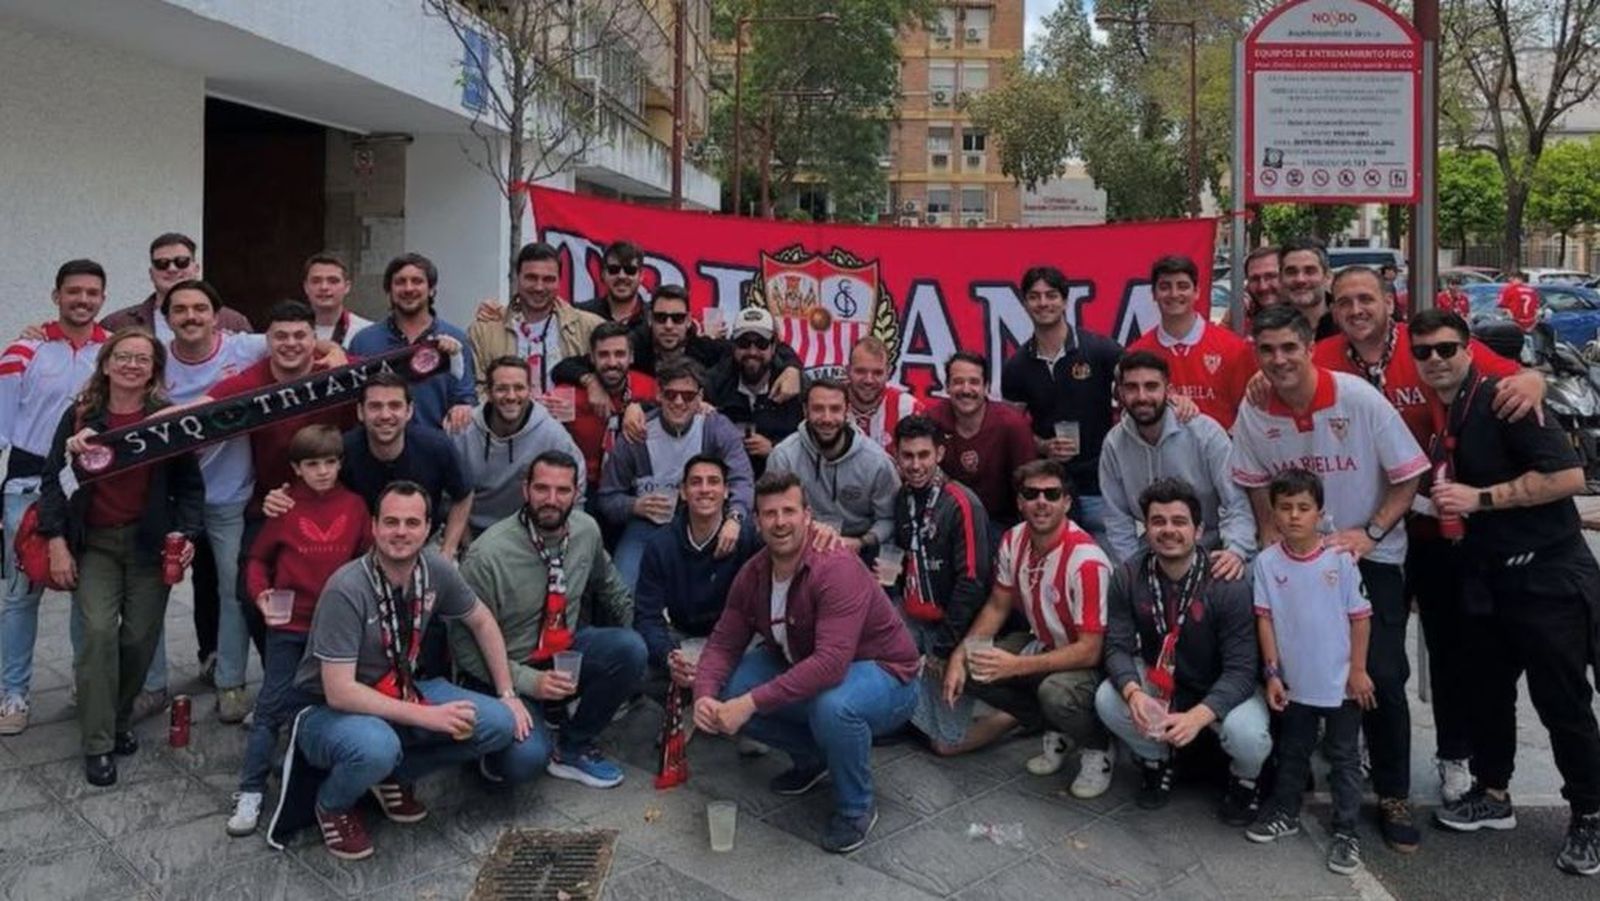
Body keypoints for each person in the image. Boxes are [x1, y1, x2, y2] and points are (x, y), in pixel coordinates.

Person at [1313, 265, 1535, 802]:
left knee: (1450, 648)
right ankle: (1373, 743)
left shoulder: (1426, 346)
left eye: (1366, 298)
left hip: (1437, 528)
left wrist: (1534, 379)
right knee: (1369, 649)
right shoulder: (1323, 358)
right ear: (1333, 310)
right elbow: (1282, 382)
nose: (1356, 310)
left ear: (1390, 302)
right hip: (1364, 535)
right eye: (1344, 303)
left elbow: (1509, 374)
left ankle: (1453, 754)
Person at [1230, 305, 1429, 853]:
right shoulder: (1254, 410)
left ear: (1309, 346)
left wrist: (1370, 531)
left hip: (1368, 557)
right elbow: (1253, 479)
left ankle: (1391, 793)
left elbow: (1409, 475)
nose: (1278, 360)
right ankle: (1289, 786)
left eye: (1289, 348)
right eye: (1266, 350)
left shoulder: (1358, 398)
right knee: (1293, 673)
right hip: (1295, 559)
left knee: (1380, 678)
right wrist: (1271, 532)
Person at [1414, 309, 1600, 877]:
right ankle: (1494, 795)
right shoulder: (1456, 405)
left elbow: (1569, 478)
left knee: (1561, 703)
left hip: (1546, 577)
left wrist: (1481, 499)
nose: (1436, 360)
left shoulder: (1506, 399)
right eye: (1423, 352)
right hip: (1490, 577)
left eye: (1446, 348)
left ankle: (1588, 817)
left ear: (1468, 348)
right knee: (1489, 693)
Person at [291, 481, 531, 861]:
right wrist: (427, 715)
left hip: (402, 688)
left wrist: (508, 692)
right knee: (376, 746)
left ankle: (390, 776)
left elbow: (481, 621)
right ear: (373, 527)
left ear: (427, 529)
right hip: (328, 709)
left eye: (411, 523)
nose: (400, 532)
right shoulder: (346, 588)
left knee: (499, 723)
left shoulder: (433, 568)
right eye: (390, 522)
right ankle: (333, 804)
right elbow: (339, 691)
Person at [693, 471, 920, 854]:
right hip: (813, 664)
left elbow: (831, 664)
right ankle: (814, 756)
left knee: (833, 706)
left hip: (888, 675)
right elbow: (722, 643)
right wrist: (703, 695)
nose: (780, 522)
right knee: (730, 682)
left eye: (789, 511)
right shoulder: (753, 572)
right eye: (769, 514)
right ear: (756, 520)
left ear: (807, 515)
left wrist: (748, 705)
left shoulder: (835, 567)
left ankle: (856, 807)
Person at [36, 328, 205, 786]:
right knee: (95, 636)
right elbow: (52, 480)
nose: (132, 365)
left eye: (142, 359)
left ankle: (118, 719)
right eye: (123, 357)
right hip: (95, 545)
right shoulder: (79, 417)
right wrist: (55, 541)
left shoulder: (166, 419)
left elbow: (190, 486)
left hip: (149, 545)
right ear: (106, 364)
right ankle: (98, 744)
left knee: (138, 640)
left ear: (153, 370)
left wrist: (187, 532)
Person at [453, 451, 644, 788]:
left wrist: (644, 644)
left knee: (630, 649)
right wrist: (527, 683)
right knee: (523, 763)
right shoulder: (488, 555)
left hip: (562, 654)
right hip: (506, 669)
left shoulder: (586, 531)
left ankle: (573, 746)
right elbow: (464, 649)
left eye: (562, 490)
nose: (551, 500)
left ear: (577, 492)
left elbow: (610, 585)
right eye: (541, 489)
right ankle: (494, 738)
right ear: (525, 490)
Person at [1094, 479, 1268, 822]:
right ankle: (1158, 759)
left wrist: (1198, 717)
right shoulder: (1128, 576)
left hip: (1222, 683)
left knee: (1248, 735)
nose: (1168, 530)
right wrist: (1133, 693)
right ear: (1146, 529)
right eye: (1158, 521)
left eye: (1179, 521)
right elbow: (1115, 646)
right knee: (1107, 698)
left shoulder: (1227, 581)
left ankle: (1245, 780)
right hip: (1166, 679)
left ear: (1199, 529)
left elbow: (1242, 670)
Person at [228, 424, 371, 837]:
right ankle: (250, 789)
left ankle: (319, 773)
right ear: (296, 468)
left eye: (330, 462)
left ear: (341, 463)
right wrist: (261, 596)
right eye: (313, 464)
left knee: (337, 702)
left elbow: (365, 560)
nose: (323, 471)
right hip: (290, 624)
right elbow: (256, 560)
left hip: (338, 629)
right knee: (270, 707)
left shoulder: (356, 506)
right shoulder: (284, 506)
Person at [944, 460, 1115, 799]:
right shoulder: (1014, 539)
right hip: (1044, 641)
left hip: (1091, 662)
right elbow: (997, 605)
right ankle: (1053, 726)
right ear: (1019, 501)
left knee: (1056, 692)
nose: (1041, 502)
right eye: (1031, 494)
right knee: (973, 667)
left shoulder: (1087, 561)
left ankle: (1099, 748)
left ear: (1067, 502)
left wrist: (1017, 666)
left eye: (1052, 494)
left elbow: (1091, 649)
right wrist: (957, 657)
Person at [156, 279, 275, 723]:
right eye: (180, 310)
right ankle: (150, 686)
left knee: (233, 590)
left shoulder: (243, 348)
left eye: (200, 308)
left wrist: (335, 353)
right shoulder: (154, 356)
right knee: (155, 592)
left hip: (229, 496)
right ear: (166, 319)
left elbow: (302, 339)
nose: (191, 316)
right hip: (168, 498)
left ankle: (231, 682)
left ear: (216, 315)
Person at [0, 260, 109, 736]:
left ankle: (86, 687)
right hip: (25, 487)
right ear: (56, 296)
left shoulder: (114, 352)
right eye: (73, 292)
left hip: (89, 490)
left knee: (88, 598)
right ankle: (13, 694)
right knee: (20, 597)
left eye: (91, 292)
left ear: (103, 299)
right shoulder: (23, 350)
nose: (82, 300)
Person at [1245, 469, 1372, 877]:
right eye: (1285, 508)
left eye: (1304, 507)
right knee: (1293, 752)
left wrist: (1358, 670)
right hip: (1295, 683)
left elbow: (1360, 618)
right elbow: (1265, 620)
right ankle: (1285, 811)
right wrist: (1272, 673)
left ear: (1320, 513)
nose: (1294, 516)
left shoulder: (1341, 559)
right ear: (1274, 513)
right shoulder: (1266, 563)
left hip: (1340, 686)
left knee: (1344, 758)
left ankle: (1347, 830)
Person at [884, 416, 992, 754]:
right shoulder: (903, 498)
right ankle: (909, 710)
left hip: (956, 630)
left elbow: (972, 582)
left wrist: (945, 649)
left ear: (940, 454)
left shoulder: (961, 502)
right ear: (896, 456)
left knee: (944, 745)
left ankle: (1018, 717)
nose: (915, 465)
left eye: (923, 455)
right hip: (915, 616)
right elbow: (906, 556)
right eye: (907, 456)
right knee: (873, 637)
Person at [597, 359, 752, 590]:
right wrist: (634, 506)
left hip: (704, 524)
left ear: (700, 398)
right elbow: (607, 497)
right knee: (621, 590)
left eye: (688, 396)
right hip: (647, 526)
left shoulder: (716, 428)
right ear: (659, 394)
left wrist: (735, 517)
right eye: (671, 394)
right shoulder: (636, 434)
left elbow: (742, 479)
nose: (679, 402)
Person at [1099, 351, 1253, 573]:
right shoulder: (1114, 443)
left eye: (1151, 386)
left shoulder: (1205, 434)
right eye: (1132, 388)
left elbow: (1236, 502)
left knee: (1242, 579)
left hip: (1212, 549)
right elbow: (1116, 518)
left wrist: (1235, 551)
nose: (1142, 396)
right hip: (1153, 553)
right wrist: (1133, 569)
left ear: (1169, 391)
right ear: (1120, 393)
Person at [1001, 265, 1121, 544]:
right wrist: (1042, 446)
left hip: (1100, 488)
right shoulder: (1017, 366)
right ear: (1025, 303)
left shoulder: (1100, 350)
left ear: (1065, 300)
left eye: (1051, 295)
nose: (1043, 303)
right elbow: (1011, 429)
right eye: (1034, 296)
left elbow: (1142, 385)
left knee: (1108, 574)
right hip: (1051, 491)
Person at [634, 455, 763, 690]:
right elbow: (647, 616)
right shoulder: (661, 545)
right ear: (683, 492)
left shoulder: (747, 538)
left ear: (726, 491)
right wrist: (669, 657)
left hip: (736, 642)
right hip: (684, 638)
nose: (705, 489)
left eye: (713, 482)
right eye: (696, 482)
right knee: (638, 667)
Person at [453, 355, 586, 535]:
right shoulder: (463, 430)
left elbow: (576, 486)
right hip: (470, 528)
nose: (511, 396)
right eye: (502, 389)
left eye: (519, 388)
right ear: (488, 393)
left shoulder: (552, 434)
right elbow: (448, 496)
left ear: (530, 391)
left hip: (527, 531)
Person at [348, 252, 477, 433]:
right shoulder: (364, 341)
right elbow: (352, 402)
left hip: (436, 449)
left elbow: (465, 396)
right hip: (377, 449)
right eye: (400, 282)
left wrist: (463, 408)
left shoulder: (455, 339)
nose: (408, 289)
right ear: (389, 290)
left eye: (417, 281)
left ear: (432, 289)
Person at [766, 379, 899, 553]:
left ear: (847, 411)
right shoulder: (784, 457)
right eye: (818, 409)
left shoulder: (876, 462)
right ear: (805, 411)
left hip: (857, 546)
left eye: (835, 409)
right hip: (800, 545)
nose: (827, 418)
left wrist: (860, 542)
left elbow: (889, 519)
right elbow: (773, 514)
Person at [1127, 255, 1255, 429]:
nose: (1174, 294)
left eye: (1183, 286)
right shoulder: (1137, 352)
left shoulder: (1233, 348)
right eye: (1165, 287)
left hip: (1221, 452)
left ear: (1197, 292)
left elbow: (1250, 412)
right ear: (1153, 294)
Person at [470, 242, 602, 397]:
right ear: (517, 278)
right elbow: (474, 390)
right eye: (531, 278)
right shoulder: (484, 331)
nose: (539, 287)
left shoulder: (590, 327)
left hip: (568, 420)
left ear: (560, 281)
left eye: (548, 279)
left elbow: (616, 377)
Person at [925, 352, 1035, 531]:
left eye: (974, 382)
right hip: (947, 521)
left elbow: (1029, 484)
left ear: (987, 388)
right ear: (947, 387)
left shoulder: (1012, 425)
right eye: (958, 382)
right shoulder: (933, 421)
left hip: (1000, 522)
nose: (966, 390)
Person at [563, 323, 657, 509]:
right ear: (591, 358)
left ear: (631, 357)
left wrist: (638, 405)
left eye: (620, 354)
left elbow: (678, 407)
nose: (612, 363)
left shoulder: (650, 388)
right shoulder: (568, 396)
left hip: (635, 487)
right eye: (604, 355)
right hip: (586, 487)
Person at [706, 307, 804, 477]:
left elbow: (812, 444)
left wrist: (775, 448)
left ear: (774, 347)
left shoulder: (796, 385)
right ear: (733, 346)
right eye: (744, 343)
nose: (752, 352)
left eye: (761, 343)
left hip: (781, 483)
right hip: (727, 484)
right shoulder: (715, 383)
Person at [101, 232, 252, 339]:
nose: (172, 269)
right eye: (162, 264)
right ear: (151, 273)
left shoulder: (233, 322)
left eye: (181, 262)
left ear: (196, 269)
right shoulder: (117, 324)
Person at [845, 337, 921, 453]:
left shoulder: (909, 409)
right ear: (848, 370)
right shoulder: (829, 405)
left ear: (888, 372)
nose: (868, 380)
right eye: (860, 371)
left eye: (877, 373)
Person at [302, 252, 372, 347]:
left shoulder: (367, 332)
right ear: (306, 287)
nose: (324, 287)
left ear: (347, 287)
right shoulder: (288, 333)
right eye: (316, 281)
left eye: (333, 281)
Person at [575, 240, 649, 328]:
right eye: (613, 269)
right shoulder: (582, 315)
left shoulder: (654, 318)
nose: (621, 276)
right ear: (603, 274)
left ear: (641, 275)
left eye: (630, 270)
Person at [1277, 237, 1340, 340]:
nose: (1300, 280)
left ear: (1327, 277)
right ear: (1280, 278)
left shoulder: (1347, 326)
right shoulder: (1268, 330)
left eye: (1310, 271)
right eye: (1291, 272)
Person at [1220, 246, 1283, 333]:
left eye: (1271, 276)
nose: (1263, 287)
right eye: (1255, 279)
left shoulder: (1304, 315)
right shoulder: (1240, 320)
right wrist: (1227, 322)